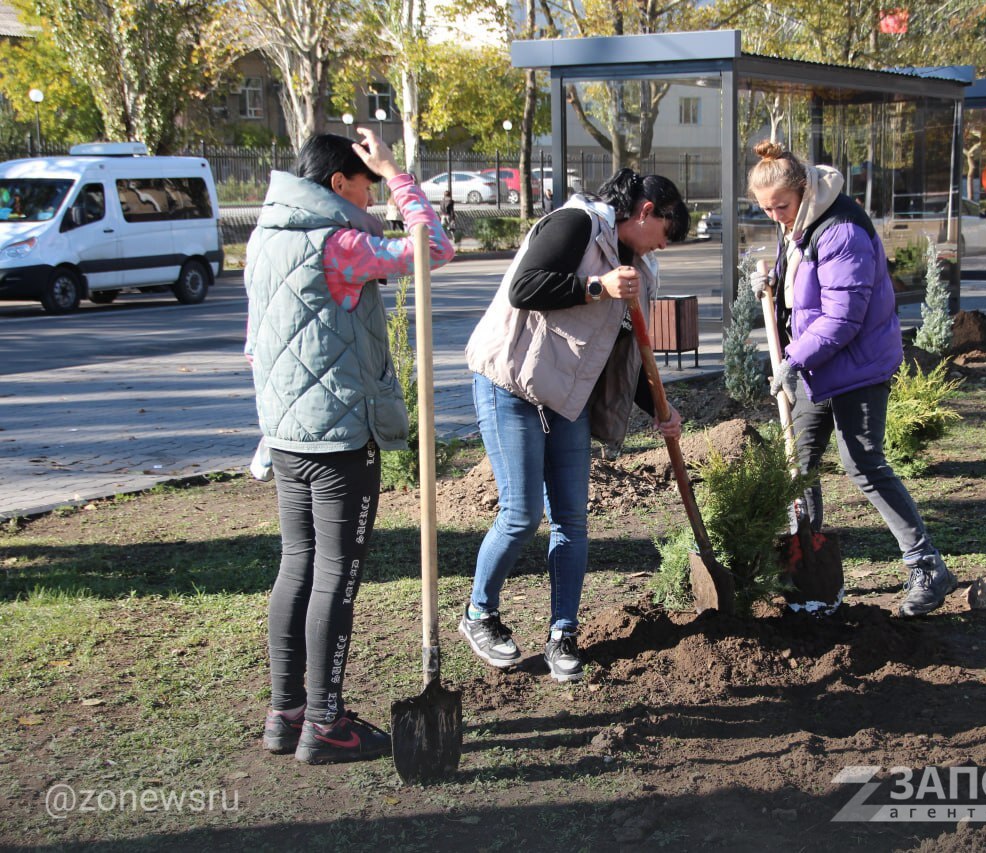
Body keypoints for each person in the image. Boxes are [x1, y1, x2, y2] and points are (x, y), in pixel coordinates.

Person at [244, 129, 454, 764]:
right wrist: (398, 173)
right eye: (364, 184)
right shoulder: (337, 244)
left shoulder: (263, 239)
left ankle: (287, 715)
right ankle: (328, 724)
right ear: (339, 184)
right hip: (337, 436)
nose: (372, 197)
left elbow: (253, 339)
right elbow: (432, 247)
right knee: (335, 573)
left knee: (297, 565)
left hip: (284, 433)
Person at [462, 168, 690, 682]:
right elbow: (525, 288)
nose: (663, 246)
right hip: (511, 385)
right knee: (521, 515)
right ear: (646, 212)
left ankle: (562, 634)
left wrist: (661, 410)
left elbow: (627, 355)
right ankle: (480, 614)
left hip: (567, 400)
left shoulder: (641, 273)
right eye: (665, 232)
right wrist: (596, 286)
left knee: (572, 521)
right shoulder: (574, 224)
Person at [747, 140, 956, 618]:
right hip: (818, 365)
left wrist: (793, 357)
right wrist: (776, 287)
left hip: (857, 365)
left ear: (803, 190)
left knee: (862, 462)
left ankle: (927, 567)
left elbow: (843, 316)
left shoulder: (841, 230)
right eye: (765, 209)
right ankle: (806, 558)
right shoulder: (802, 224)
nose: (775, 216)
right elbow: (813, 293)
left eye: (780, 205)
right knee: (797, 464)